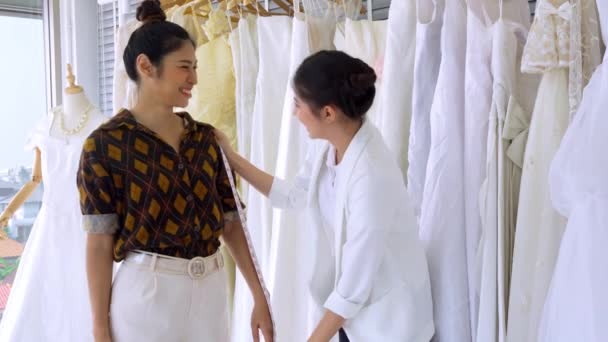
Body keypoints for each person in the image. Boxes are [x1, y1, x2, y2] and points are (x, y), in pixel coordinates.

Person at [76, 1, 273, 341]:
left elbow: (231, 222)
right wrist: (99, 327)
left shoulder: (205, 139)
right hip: (147, 296)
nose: (194, 78)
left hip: (210, 293)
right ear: (146, 66)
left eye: (195, 67)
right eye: (185, 67)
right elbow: (99, 242)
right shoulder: (104, 145)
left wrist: (259, 296)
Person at [215, 50, 435, 342]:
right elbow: (295, 195)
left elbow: (354, 284)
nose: (295, 114)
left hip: (390, 325)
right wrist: (233, 160)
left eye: (298, 104)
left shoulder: (371, 174)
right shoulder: (329, 144)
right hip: (356, 318)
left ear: (328, 113)